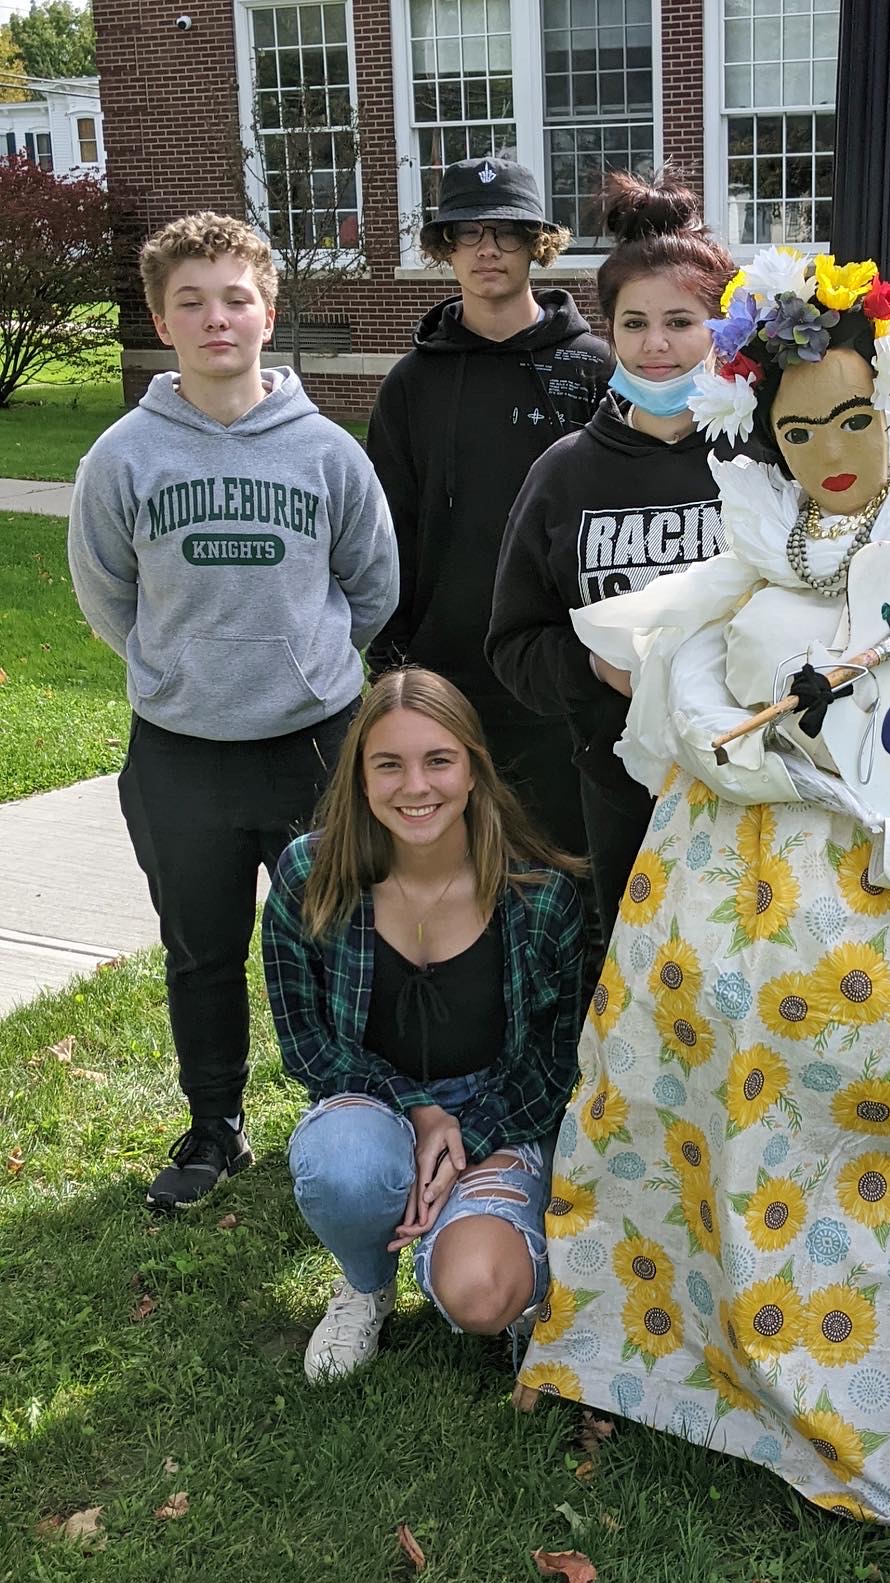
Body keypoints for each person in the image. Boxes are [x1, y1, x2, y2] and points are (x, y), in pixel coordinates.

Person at [512, 248, 890, 1524]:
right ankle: (684, 1351)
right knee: (693, 1106)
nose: (829, 447)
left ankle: (861, 1388)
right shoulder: (752, 555)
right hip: (721, 892)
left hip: (888, 902)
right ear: (765, 438)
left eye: (849, 417)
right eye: (798, 426)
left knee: (870, 1135)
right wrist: (735, 727)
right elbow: (682, 667)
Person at [67, 212, 398, 1213]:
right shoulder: (122, 459)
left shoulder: (327, 451)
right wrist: (183, 671)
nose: (217, 318)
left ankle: (357, 1108)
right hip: (182, 753)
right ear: (162, 323)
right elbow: (104, 595)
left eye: (235, 298)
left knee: (343, 935)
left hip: (313, 745)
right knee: (200, 946)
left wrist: (305, 663)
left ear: (269, 311)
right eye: (191, 302)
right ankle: (216, 1124)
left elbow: (371, 583)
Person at [261, 668, 587, 1383]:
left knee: (482, 1295)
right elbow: (308, 1045)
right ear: (361, 777)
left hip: (501, 1112)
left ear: (473, 769)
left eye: (438, 760)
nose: (416, 786)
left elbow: (554, 1065)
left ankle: (484, 1243)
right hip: (372, 1105)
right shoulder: (308, 877)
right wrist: (418, 1109)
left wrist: (463, 1138)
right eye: (390, 765)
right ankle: (366, 1283)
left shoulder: (541, 897)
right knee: (346, 1167)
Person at [488, 169, 733, 940]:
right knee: (633, 975)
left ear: (718, 330)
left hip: (753, 782)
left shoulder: (762, 461)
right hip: (620, 783)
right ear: (611, 333)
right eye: (634, 323)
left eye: (680, 321)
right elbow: (514, 642)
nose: (656, 344)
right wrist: (595, 671)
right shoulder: (565, 473)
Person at [366, 157, 612, 858]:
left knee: (568, 874)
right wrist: (393, 664)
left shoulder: (593, 368)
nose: (486, 251)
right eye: (466, 234)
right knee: (461, 874)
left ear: (538, 242)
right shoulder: (412, 385)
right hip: (450, 676)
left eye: (505, 233)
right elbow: (391, 531)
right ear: (444, 248)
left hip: (565, 672)